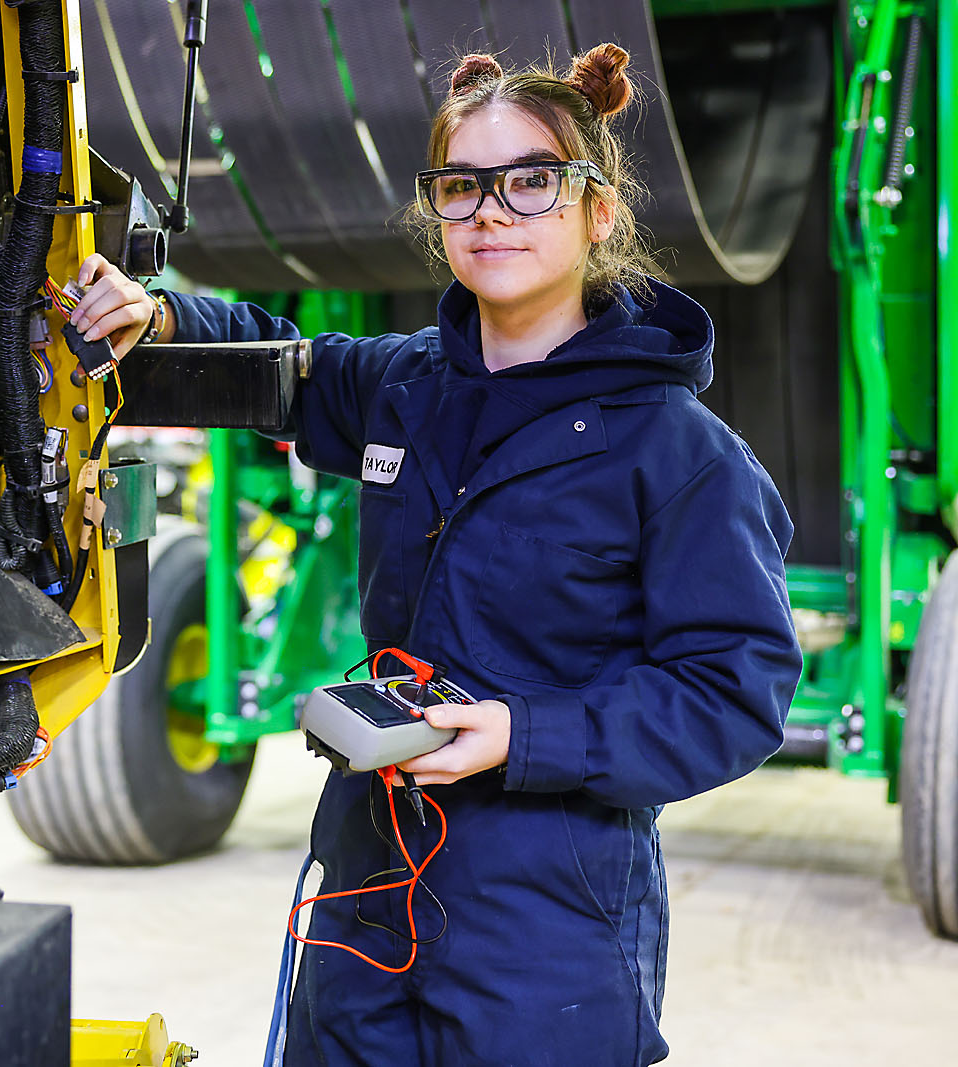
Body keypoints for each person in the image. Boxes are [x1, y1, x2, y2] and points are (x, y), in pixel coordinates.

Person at [66, 43, 802, 1067]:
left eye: (529, 181)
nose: (491, 211)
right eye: (462, 186)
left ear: (597, 210)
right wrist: (158, 316)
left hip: (546, 923)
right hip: (364, 888)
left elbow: (734, 692)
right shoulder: (405, 384)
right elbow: (277, 365)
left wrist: (521, 730)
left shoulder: (680, 458)